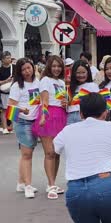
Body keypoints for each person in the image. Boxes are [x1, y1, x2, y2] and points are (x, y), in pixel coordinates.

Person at [54, 93, 111, 223]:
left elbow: (54, 149)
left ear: (81, 114)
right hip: (106, 185)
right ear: (105, 113)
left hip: (76, 189)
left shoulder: (68, 130)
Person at [32, 55, 67, 200]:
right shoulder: (45, 80)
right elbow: (44, 101)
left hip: (61, 115)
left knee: (57, 152)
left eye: (59, 66)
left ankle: (52, 182)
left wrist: (66, 102)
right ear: (48, 67)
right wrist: (43, 116)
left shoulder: (61, 82)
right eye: (53, 66)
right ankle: (51, 184)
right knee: (50, 152)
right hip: (49, 115)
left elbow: (62, 99)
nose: (57, 69)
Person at [8, 58, 40, 199]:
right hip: (23, 122)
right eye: (24, 69)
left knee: (27, 153)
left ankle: (21, 182)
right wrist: (22, 110)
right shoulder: (17, 86)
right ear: (19, 72)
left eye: (29, 68)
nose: (27, 71)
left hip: (35, 121)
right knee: (27, 154)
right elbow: (10, 109)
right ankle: (28, 185)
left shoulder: (38, 82)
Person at [67, 60, 99, 125]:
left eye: (83, 72)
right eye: (78, 73)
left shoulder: (92, 86)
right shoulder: (70, 87)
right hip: (69, 116)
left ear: (88, 72)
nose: (81, 75)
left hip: (85, 117)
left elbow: (97, 102)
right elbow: (68, 104)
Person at [0, 51, 14, 134]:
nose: (9, 59)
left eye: (9, 57)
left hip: (13, 91)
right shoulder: (0, 70)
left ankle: (12, 126)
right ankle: (4, 127)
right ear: (2, 59)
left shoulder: (14, 67)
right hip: (3, 92)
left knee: (13, 109)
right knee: (4, 110)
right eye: (7, 58)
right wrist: (6, 81)